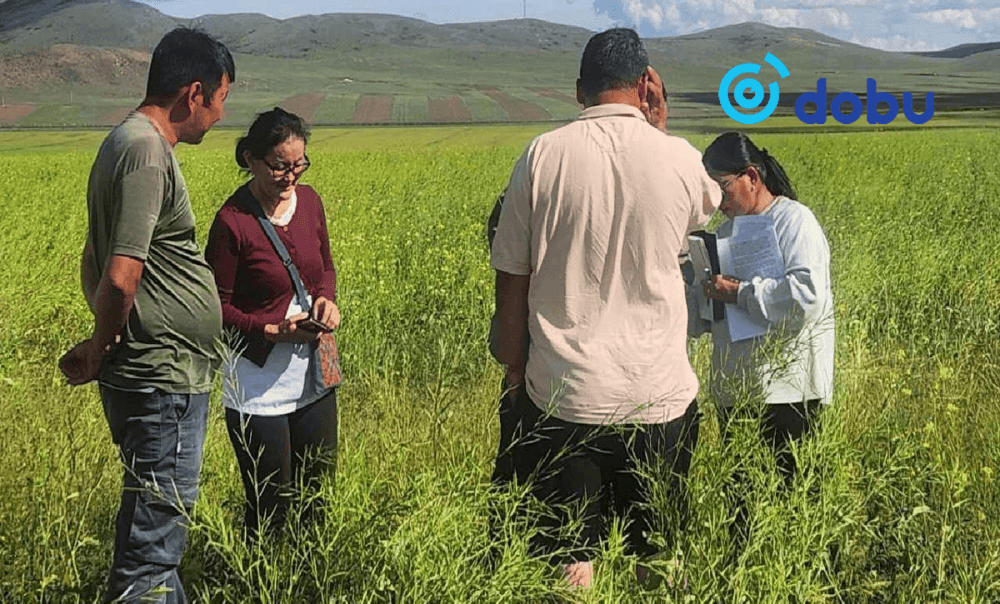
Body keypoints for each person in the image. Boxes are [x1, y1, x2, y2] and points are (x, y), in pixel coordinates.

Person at [489, 28, 719, 588]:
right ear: (646, 85)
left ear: (578, 92)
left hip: (565, 393)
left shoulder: (542, 155)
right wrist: (659, 129)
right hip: (659, 393)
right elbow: (702, 209)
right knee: (658, 554)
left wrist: (514, 367)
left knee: (571, 559)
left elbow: (512, 281)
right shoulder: (680, 158)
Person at [58, 27, 234, 604]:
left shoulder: (126, 142)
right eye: (220, 100)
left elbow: (94, 255)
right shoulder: (145, 149)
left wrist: (104, 339)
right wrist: (107, 342)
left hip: (159, 376)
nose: (219, 116)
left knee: (158, 541)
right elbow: (119, 273)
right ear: (193, 93)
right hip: (163, 382)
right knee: (151, 556)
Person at [204, 107, 340, 538]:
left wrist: (327, 302)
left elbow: (326, 271)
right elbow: (215, 308)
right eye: (281, 166)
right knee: (270, 507)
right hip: (258, 388)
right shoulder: (232, 222)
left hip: (316, 374)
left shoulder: (311, 202)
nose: (291, 176)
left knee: (317, 496)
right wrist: (270, 330)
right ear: (251, 159)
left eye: (299, 164)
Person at [696, 131, 835, 484]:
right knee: (741, 512)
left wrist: (739, 292)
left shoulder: (795, 220)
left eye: (721, 188)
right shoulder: (724, 235)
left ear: (752, 177)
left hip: (789, 394)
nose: (717, 202)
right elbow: (709, 319)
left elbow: (806, 297)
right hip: (737, 392)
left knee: (791, 507)